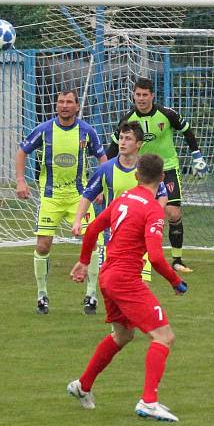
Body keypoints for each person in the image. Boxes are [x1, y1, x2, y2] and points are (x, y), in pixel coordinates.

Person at [67, 153, 188, 422]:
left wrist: (84, 262)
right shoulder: (152, 209)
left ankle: (82, 386)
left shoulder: (123, 198)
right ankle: (149, 401)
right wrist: (176, 282)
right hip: (125, 280)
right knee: (164, 337)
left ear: (136, 175)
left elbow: (94, 227)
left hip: (108, 276)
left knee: (122, 336)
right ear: (162, 180)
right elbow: (156, 257)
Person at [15, 89, 107, 314]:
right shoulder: (44, 130)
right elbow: (21, 151)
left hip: (79, 197)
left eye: (69, 102)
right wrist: (20, 180)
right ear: (56, 106)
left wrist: (101, 187)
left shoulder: (87, 132)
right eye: (60, 102)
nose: (64, 106)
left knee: (92, 241)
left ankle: (91, 295)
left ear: (77, 106)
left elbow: (102, 158)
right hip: (51, 198)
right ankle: (42, 295)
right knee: (42, 245)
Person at [106, 78, 207, 273]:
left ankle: (177, 259)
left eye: (145, 95)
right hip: (139, 172)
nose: (141, 98)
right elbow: (112, 148)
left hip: (166, 169)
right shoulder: (127, 120)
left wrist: (197, 156)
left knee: (173, 212)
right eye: (138, 95)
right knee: (134, 213)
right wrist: (104, 173)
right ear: (133, 96)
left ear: (152, 95)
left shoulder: (167, 115)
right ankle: (131, 255)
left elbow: (187, 131)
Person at [72, 121, 167, 295]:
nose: (122, 142)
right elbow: (88, 195)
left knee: (142, 286)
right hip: (113, 238)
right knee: (113, 287)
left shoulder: (146, 169)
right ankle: (93, 298)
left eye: (128, 138)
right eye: (121, 138)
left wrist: (155, 217)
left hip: (140, 240)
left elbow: (162, 195)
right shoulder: (106, 169)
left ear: (139, 144)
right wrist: (78, 219)